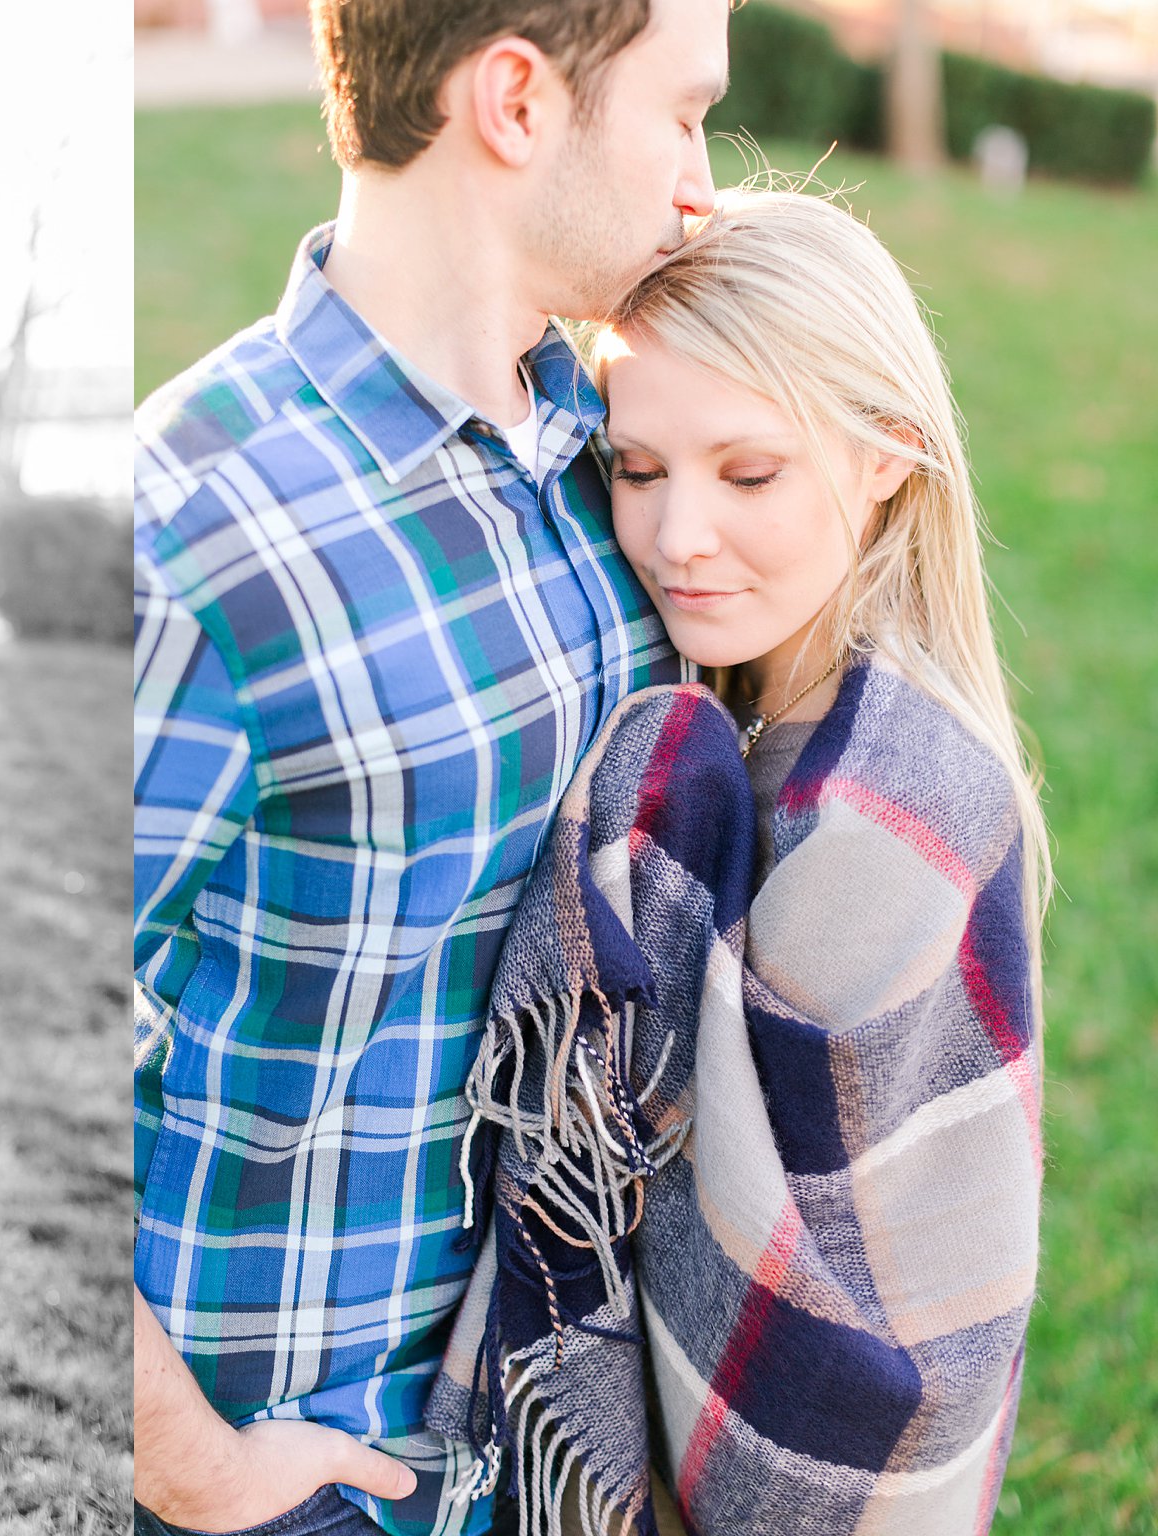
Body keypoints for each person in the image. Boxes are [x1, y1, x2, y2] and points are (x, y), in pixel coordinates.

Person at [131, 0, 728, 1531]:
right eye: (683, 114)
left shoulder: (618, 458)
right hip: (297, 1473)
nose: (701, 181)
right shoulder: (198, 528)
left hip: (540, 1438)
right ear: (517, 102)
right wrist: (194, 1464)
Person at [427, 189, 1047, 1535]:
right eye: (636, 471)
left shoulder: (887, 808)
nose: (677, 536)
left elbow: (767, 1257)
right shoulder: (754, 719)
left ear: (886, 456)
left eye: (748, 472)